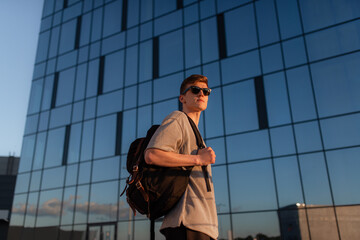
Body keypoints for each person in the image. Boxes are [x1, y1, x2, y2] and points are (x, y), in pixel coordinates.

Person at [145, 74, 218, 240]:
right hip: (187, 223)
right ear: (182, 98)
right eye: (195, 90)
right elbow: (152, 154)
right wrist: (198, 160)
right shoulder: (178, 118)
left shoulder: (197, 134)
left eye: (206, 91)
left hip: (204, 226)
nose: (201, 94)